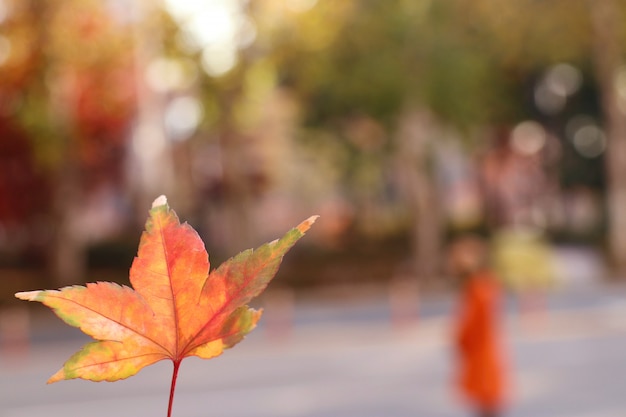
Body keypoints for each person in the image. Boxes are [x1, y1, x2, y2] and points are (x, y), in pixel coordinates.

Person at [448, 235, 509, 417]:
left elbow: (472, 326)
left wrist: (460, 339)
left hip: (482, 358)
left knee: (487, 408)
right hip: (480, 357)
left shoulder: (480, 287)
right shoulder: (479, 285)